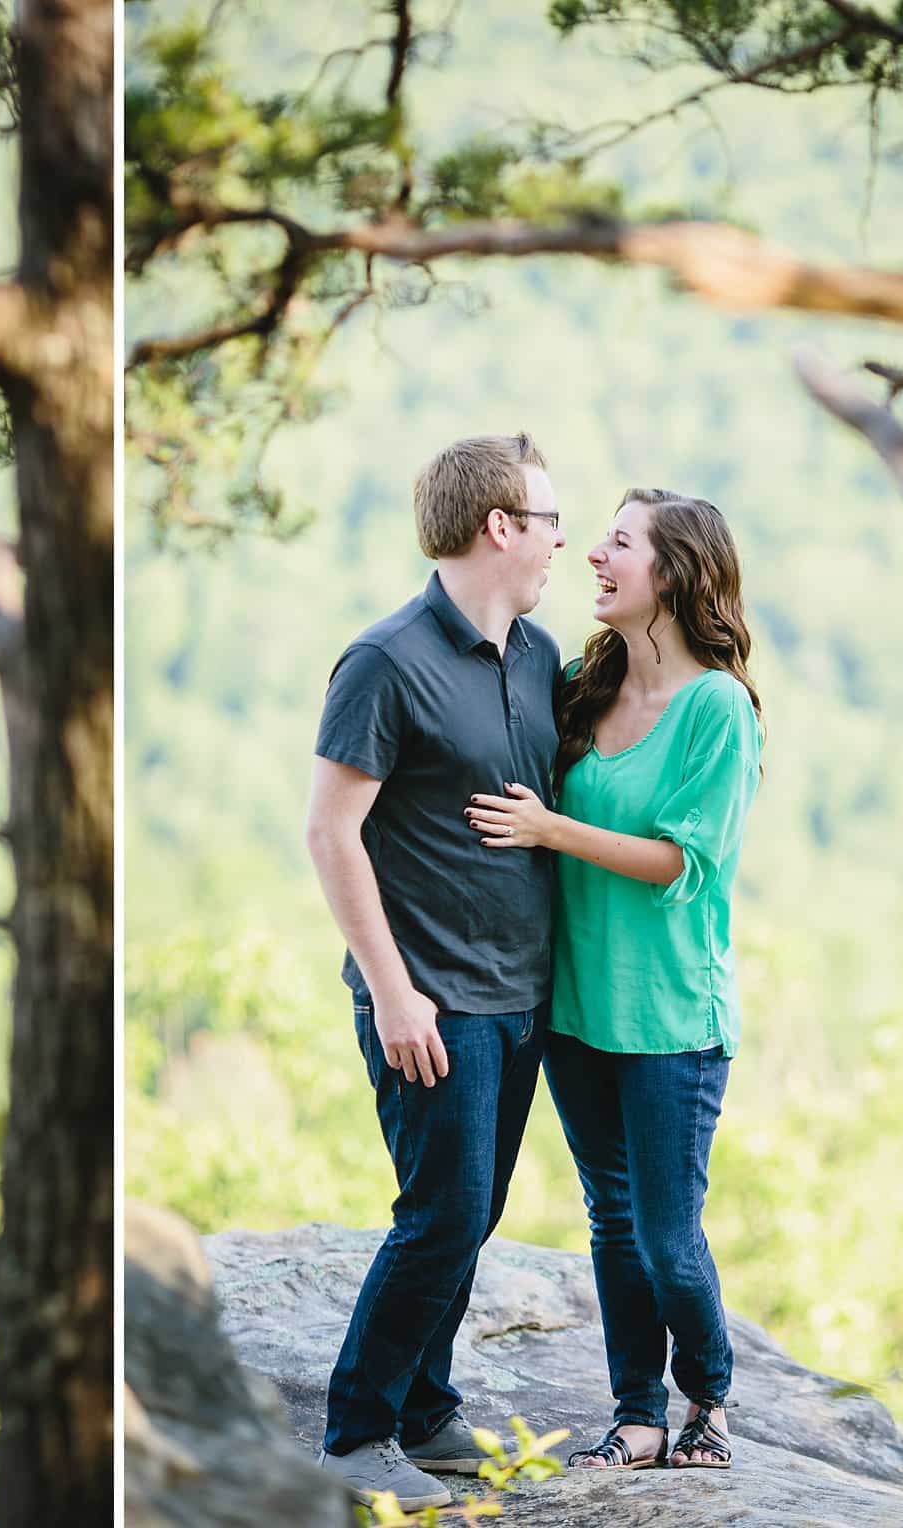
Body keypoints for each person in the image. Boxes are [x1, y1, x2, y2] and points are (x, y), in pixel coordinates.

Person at [466, 487, 763, 1472]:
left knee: (667, 1239)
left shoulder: (714, 707)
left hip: (671, 1020)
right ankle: (636, 1414)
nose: (591, 555)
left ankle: (708, 1396)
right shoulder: (584, 683)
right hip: (575, 1012)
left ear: (671, 573)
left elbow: (681, 862)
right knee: (612, 1223)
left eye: (618, 544)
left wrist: (550, 829)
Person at [305, 434, 565, 1511]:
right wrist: (394, 987)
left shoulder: (541, 655)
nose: (561, 540)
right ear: (497, 525)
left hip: (522, 996)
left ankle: (425, 1403)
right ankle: (357, 1425)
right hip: (430, 1000)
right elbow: (330, 833)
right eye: (549, 520)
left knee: (477, 1207)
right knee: (442, 1213)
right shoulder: (385, 659)